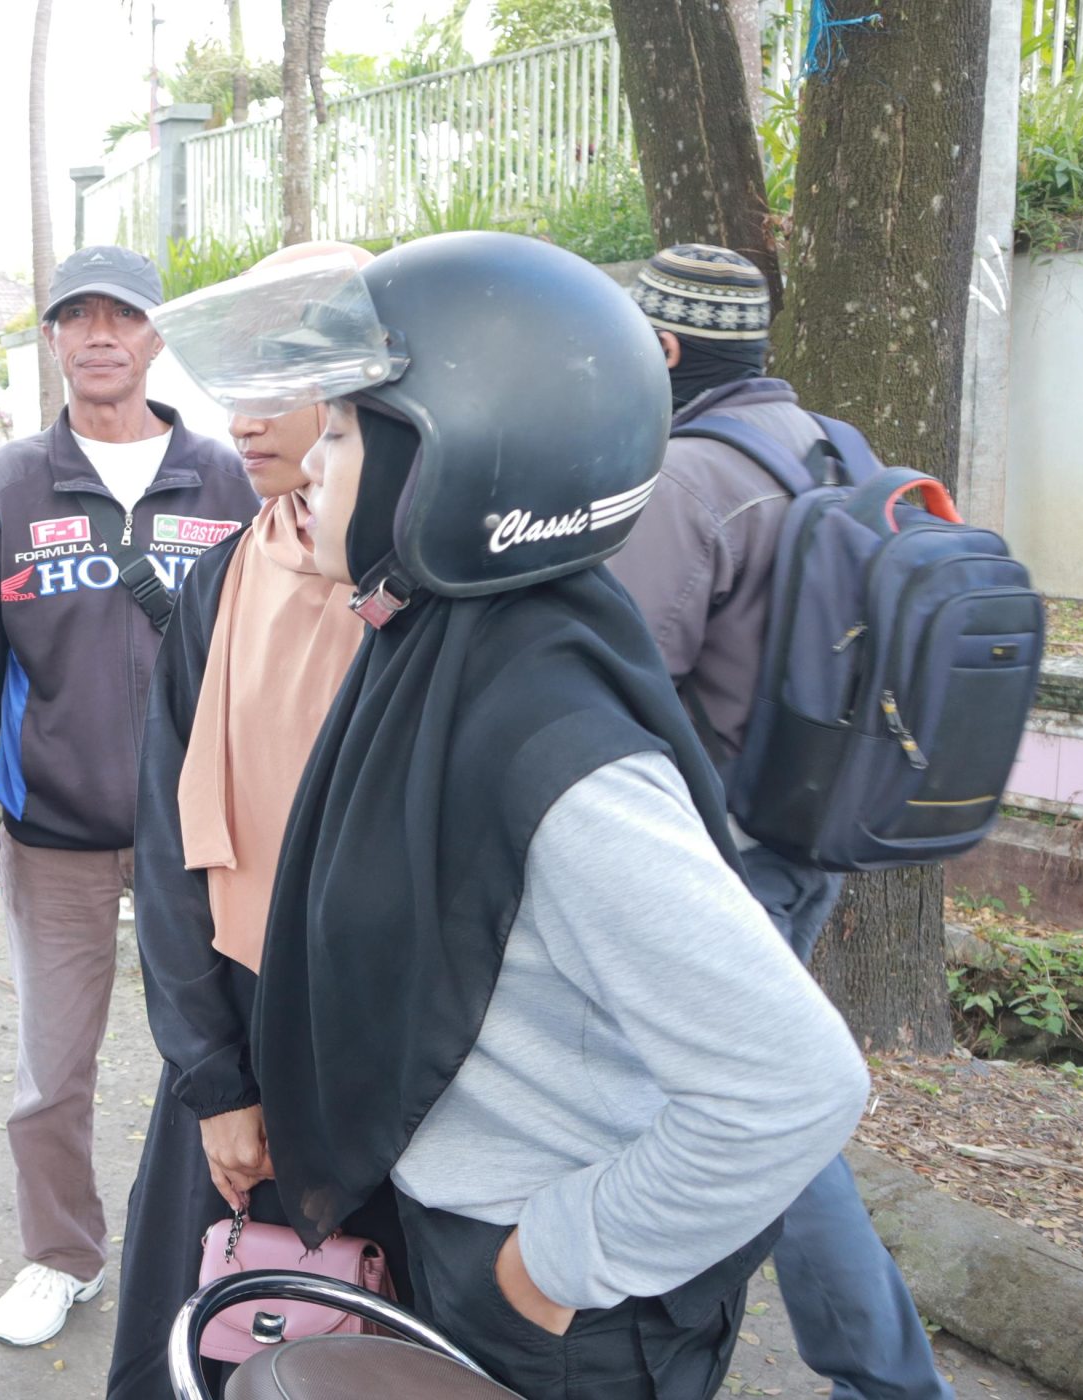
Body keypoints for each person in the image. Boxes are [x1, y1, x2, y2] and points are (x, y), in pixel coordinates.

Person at [156, 232, 871, 1400]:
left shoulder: (547, 740)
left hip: (559, 1301)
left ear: (457, 453)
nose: (314, 466)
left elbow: (791, 1084)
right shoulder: (443, 648)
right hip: (465, 1228)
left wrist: (549, 1264)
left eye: (340, 432)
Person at [609, 242, 956, 1400]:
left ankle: (886, 1379)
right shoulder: (838, 447)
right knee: (756, 1100)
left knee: (772, 1126)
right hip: (814, 834)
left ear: (661, 348)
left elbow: (619, 676)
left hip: (720, 855)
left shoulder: (685, 476)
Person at [0, 242, 259, 1348]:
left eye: (124, 315)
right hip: (55, 839)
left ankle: (233, 1247)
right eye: (78, 316)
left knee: (223, 1061)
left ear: (158, 336)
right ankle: (60, 1252)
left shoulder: (228, 478)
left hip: (207, 837)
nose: (101, 334)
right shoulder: (2, 487)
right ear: (54, 339)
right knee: (50, 1073)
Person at [106, 242, 378, 1400]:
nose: (246, 418)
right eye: (243, 385)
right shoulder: (223, 579)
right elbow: (170, 843)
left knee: (353, 1344)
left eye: (286, 386)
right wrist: (216, 1079)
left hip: (372, 1058)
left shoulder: (426, 597)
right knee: (198, 1325)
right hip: (232, 1013)